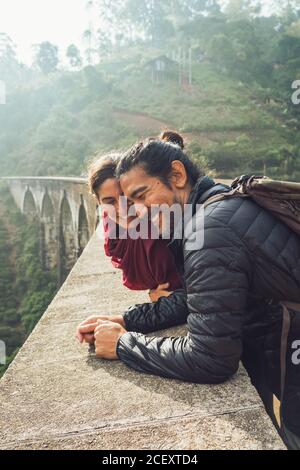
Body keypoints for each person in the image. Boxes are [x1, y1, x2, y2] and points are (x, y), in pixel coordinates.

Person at [77, 133, 300, 449]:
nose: (136, 212)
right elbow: (201, 295)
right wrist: (128, 319)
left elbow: (210, 359)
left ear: (177, 175)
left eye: (141, 195)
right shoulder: (221, 200)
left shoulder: (207, 231)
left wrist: (123, 344)